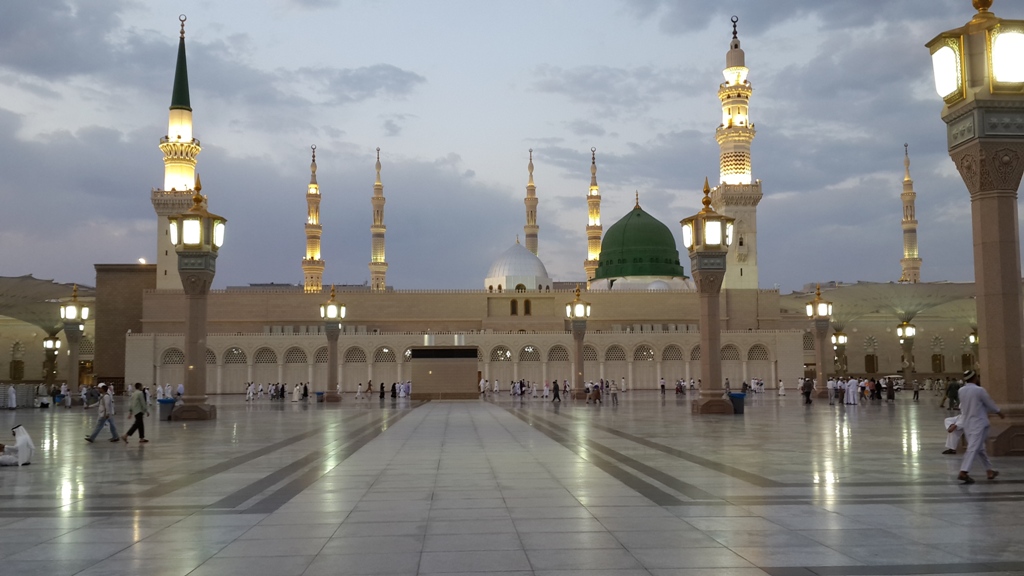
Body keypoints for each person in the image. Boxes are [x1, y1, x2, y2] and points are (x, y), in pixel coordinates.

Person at [956, 370, 1004, 484]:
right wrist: (999, 412)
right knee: (973, 448)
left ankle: (989, 471)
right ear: (975, 378)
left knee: (979, 448)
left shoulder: (961, 390)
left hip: (968, 423)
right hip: (979, 423)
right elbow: (989, 403)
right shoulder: (979, 390)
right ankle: (964, 471)